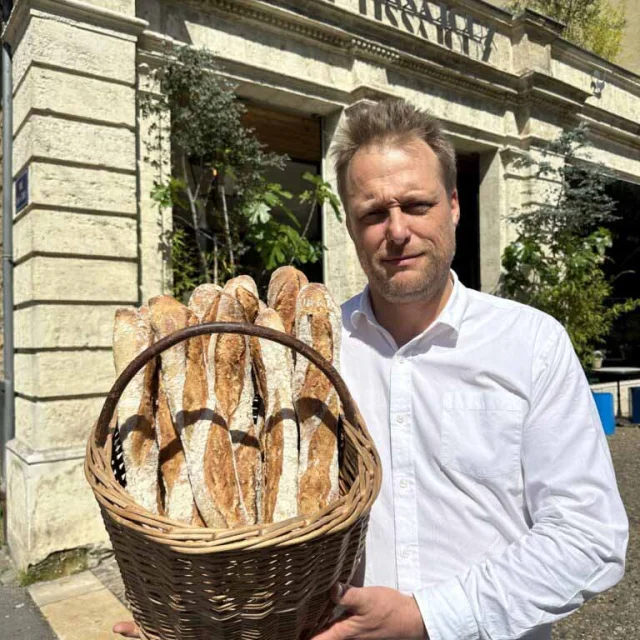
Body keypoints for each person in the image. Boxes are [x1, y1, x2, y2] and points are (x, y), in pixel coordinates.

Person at [115, 99, 628, 640]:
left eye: (417, 204)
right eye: (374, 213)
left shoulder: (529, 344)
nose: (397, 230)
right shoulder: (308, 356)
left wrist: (427, 617)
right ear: (350, 225)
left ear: (454, 205)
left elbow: (588, 538)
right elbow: (256, 513)